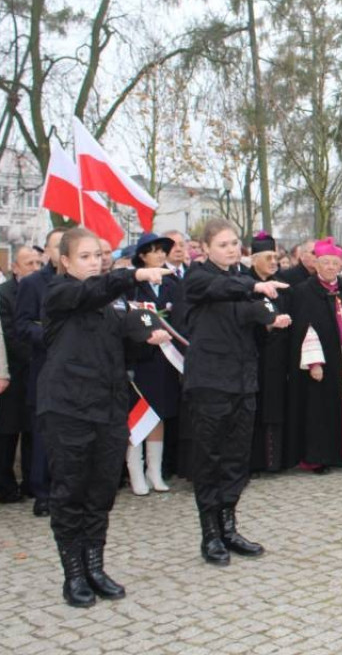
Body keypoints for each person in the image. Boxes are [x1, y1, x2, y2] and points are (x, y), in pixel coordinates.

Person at [38, 227, 172, 606]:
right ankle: (74, 575)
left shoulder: (112, 306)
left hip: (108, 409)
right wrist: (133, 275)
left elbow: (124, 354)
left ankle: (95, 566)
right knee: (70, 493)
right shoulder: (60, 293)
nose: (94, 261)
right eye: (85, 256)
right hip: (68, 409)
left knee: (100, 492)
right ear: (64, 261)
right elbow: (90, 292)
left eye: (98, 255)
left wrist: (146, 342)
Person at [183, 218, 291, 566]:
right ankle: (210, 533)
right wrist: (254, 288)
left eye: (234, 244)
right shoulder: (199, 278)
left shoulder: (239, 282)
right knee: (209, 458)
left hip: (243, 381)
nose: (230, 250)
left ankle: (229, 527)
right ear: (205, 248)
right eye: (223, 245)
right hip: (210, 382)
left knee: (236, 459)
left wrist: (269, 322)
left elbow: (250, 318)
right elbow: (219, 290)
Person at [289, 238, 342, 471]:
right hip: (323, 363)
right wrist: (314, 362)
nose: (331, 267)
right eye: (325, 263)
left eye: (335, 263)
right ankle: (318, 458)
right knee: (320, 411)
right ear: (316, 264)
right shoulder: (305, 291)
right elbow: (304, 330)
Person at [125, 232, 185, 495]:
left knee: (160, 414)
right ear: (142, 256)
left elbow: (180, 319)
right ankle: (136, 472)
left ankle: (155, 471)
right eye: (156, 251)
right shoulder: (132, 285)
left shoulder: (173, 285)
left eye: (164, 251)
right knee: (139, 416)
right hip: (140, 360)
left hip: (166, 359)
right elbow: (124, 322)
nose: (161, 255)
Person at [15, 227, 64, 517]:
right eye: (57, 246)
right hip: (45, 369)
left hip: (78, 374)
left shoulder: (85, 284)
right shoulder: (34, 284)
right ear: (47, 251)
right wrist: (49, 335)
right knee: (44, 435)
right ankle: (42, 492)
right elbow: (21, 325)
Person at [247, 232, 295, 473]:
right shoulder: (247, 285)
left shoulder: (282, 284)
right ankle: (256, 462)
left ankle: (277, 460)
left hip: (279, 358)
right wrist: (265, 325)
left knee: (277, 408)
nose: (274, 262)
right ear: (254, 259)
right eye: (268, 257)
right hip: (256, 357)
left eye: (276, 257)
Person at [0, 246, 41, 503]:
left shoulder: (42, 290)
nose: (35, 268)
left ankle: (31, 483)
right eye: (29, 263)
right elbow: (10, 334)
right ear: (15, 267)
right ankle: (5, 486)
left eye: (38, 262)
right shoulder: (4, 295)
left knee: (32, 431)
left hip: (36, 374)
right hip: (13, 374)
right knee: (7, 433)